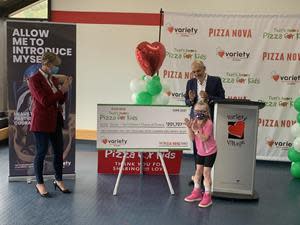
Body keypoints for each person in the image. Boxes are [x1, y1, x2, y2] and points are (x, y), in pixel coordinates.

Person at [28, 52, 72, 197]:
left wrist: (65, 89)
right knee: (41, 153)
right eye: (55, 65)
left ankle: (58, 180)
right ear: (47, 64)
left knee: (58, 152)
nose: (56, 68)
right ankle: (39, 183)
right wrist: (61, 90)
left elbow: (60, 101)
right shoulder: (34, 80)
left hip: (55, 120)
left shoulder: (52, 79)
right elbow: (45, 101)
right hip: (41, 122)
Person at [185, 60, 225, 186]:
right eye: (194, 72)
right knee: (197, 146)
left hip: (209, 118)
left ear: (204, 69)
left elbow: (222, 98)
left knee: (208, 144)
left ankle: (207, 175)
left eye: (198, 71)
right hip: (195, 118)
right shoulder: (190, 82)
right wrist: (190, 99)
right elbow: (186, 101)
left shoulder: (215, 80)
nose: (196, 74)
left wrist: (209, 97)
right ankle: (198, 176)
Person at [184, 102, 217, 208]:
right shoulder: (195, 121)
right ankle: (197, 192)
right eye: (197, 111)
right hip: (200, 152)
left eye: (202, 111)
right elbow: (192, 138)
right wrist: (190, 128)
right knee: (198, 172)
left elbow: (204, 138)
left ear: (207, 112)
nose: (199, 113)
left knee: (206, 173)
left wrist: (196, 130)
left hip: (210, 152)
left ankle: (207, 196)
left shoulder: (209, 123)